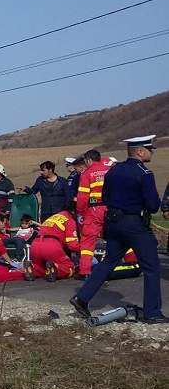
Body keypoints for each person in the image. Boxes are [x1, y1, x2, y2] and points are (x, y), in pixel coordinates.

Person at [72, 135, 167, 324]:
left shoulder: (114, 172)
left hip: (113, 223)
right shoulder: (145, 174)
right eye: (150, 149)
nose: (152, 152)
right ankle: (152, 312)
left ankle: (82, 297)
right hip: (135, 224)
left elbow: (105, 197)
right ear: (140, 151)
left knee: (109, 261)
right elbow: (153, 204)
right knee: (151, 267)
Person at [75, 149, 113, 279]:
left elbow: (82, 197)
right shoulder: (111, 169)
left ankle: (85, 271)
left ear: (89, 160)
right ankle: (131, 261)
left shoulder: (87, 173)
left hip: (94, 210)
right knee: (119, 236)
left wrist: (81, 212)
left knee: (87, 241)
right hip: (112, 209)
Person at [25, 209, 79, 282]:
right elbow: (72, 246)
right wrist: (84, 250)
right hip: (51, 245)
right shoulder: (70, 220)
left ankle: (33, 268)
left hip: (35, 245)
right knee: (69, 267)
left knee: (42, 267)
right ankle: (56, 268)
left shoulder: (52, 217)